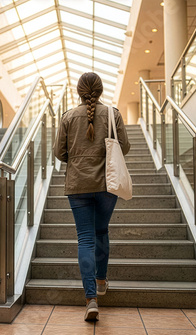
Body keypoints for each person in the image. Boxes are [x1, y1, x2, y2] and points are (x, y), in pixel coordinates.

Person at [54, 72, 130, 321]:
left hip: (78, 185)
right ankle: (100, 282)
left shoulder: (68, 117)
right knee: (101, 232)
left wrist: (77, 161)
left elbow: (59, 152)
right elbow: (125, 147)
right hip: (107, 184)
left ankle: (90, 300)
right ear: (100, 89)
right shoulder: (112, 114)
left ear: (78, 91)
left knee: (85, 239)